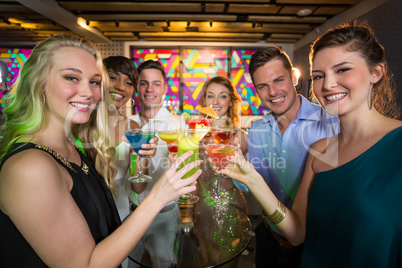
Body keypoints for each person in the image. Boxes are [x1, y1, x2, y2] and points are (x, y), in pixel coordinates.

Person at [0, 33, 201, 267]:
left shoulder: (73, 148)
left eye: (94, 81)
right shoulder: (29, 167)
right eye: (71, 77)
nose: (88, 92)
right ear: (38, 82)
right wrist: (159, 196)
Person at [222, 21, 402, 267]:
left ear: (376, 72)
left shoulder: (331, 122)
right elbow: (291, 223)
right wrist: (236, 162)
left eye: (342, 69)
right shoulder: (313, 148)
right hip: (275, 237)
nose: (328, 84)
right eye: (319, 76)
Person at [235, 45, 340, 267]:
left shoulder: (331, 123)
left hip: (318, 243)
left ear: (293, 77)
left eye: (279, 80)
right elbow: (254, 183)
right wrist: (234, 162)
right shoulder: (257, 130)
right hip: (270, 238)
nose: (272, 92)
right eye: (263, 86)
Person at [130, 59, 182, 268]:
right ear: (137, 87)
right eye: (144, 83)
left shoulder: (177, 125)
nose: (150, 89)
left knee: (163, 264)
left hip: (165, 215)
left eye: (156, 83)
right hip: (131, 213)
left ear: (165, 88)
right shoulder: (127, 123)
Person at [198, 76, 247, 154]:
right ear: (205, 100)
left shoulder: (241, 137)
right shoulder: (196, 134)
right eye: (210, 96)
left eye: (222, 96)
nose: (215, 102)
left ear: (231, 101)